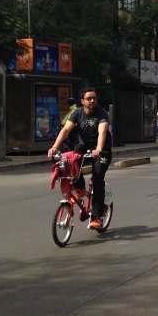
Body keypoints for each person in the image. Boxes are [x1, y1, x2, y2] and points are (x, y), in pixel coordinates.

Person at [46, 87, 112, 230]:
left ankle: (97, 217)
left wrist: (99, 148)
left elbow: (103, 131)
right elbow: (65, 130)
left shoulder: (102, 113)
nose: (93, 101)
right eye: (89, 98)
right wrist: (55, 147)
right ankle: (79, 188)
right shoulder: (77, 113)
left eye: (94, 98)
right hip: (83, 148)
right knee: (70, 164)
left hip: (101, 152)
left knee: (98, 178)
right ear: (82, 101)